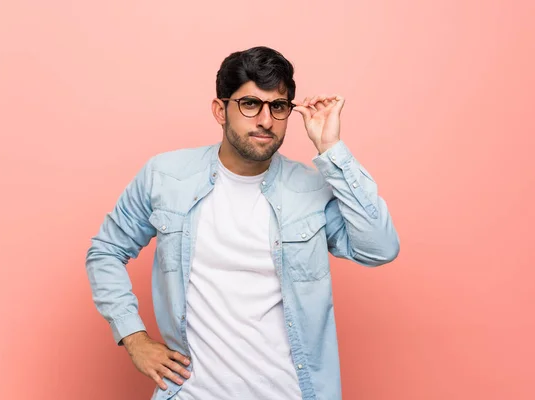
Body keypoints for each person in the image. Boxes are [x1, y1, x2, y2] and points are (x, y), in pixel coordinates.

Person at [85, 45, 400, 400]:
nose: (265, 120)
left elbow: (380, 249)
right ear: (221, 110)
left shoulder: (312, 187)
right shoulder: (165, 176)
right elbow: (106, 251)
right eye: (250, 104)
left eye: (277, 107)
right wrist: (133, 336)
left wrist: (331, 150)